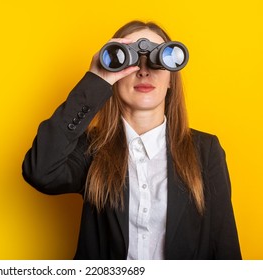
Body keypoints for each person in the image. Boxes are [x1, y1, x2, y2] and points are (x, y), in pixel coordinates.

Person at [22, 20, 242, 260]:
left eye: (158, 59)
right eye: (133, 59)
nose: (144, 71)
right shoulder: (93, 149)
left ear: (171, 80)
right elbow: (40, 171)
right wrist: (96, 79)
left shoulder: (205, 151)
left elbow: (224, 246)